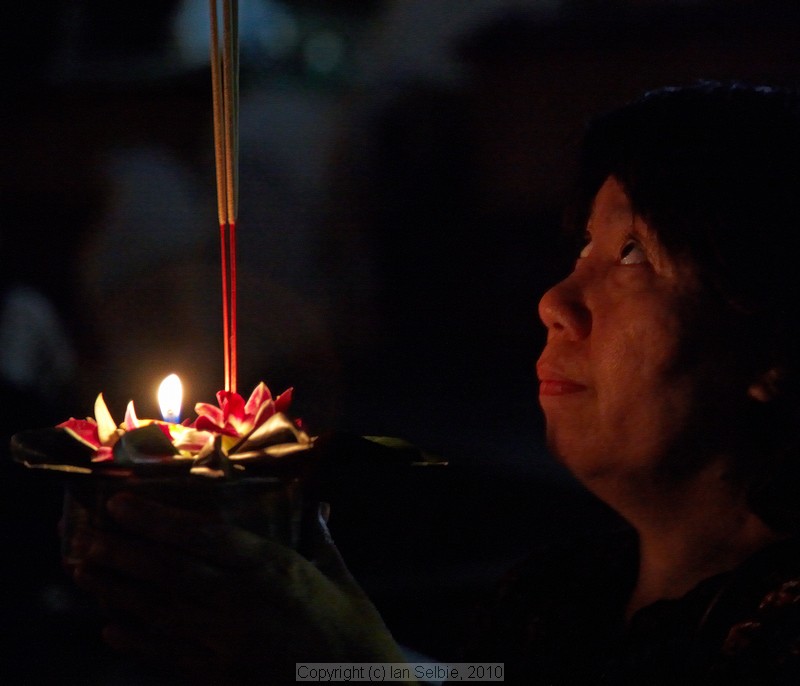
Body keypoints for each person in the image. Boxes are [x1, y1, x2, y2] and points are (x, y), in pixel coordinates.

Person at [68, 80, 800, 684]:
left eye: (633, 253)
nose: (556, 302)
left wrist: (338, 658)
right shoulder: (560, 596)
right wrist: (307, 631)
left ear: (774, 346)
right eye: (585, 248)